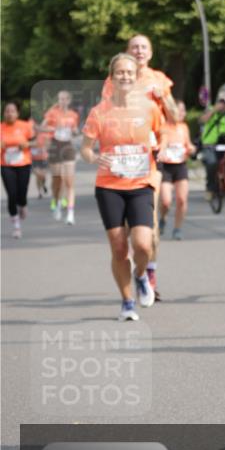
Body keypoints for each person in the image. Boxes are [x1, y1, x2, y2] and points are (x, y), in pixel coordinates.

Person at [81, 53, 163, 322]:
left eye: (129, 72)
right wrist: (95, 157)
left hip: (140, 183)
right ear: (112, 77)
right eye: (120, 73)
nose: (125, 76)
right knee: (118, 248)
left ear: (136, 76)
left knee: (142, 244)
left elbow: (160, 137)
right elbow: (85, 150)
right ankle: (127, 301)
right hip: (109, 186)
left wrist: (157, 154)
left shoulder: (149, 108)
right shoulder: (99, 112)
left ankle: (140, 275)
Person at [102, 34, 178, 297]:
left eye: (144, 46)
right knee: (123, 232)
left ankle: (149, 272)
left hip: (151, 156)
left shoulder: (159, 79)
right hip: (125, 159)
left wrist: (162, 97)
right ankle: (135, 269)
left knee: (152, 224)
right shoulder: (116, 79)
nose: (139, 50)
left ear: (151, 53)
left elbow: (175, 116)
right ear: (128, 51)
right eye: (134, 46)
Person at [157, 99, 196, 240]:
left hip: (180, 166)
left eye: (183, 110)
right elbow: (160, 144)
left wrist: (191, 148)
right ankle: (163, 218)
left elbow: (188, 144)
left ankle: (177, 229)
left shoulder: (184, 127)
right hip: (166, 167)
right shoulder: (163, 127)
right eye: (178, 110)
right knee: (166, 201)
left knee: (181, 200)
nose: (181, 113)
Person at [41, 90, 79, 225]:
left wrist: (75, 131)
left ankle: (70, 214)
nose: (62, 101)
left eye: (64, 99)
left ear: (69, 101)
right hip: (55, 146)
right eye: (59, 99)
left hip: (68, 147)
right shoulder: (52, 113)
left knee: (69, 182)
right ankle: (56, 203)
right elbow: (42, 128)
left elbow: (75, 131)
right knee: (57, 181)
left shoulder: (73, 115)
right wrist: (52, 128)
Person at [198, 90, 225, 195]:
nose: (222, 105)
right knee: (212, 163)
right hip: (210, 144)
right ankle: (211, 188)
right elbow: (202, 120)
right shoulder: (210, 111)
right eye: (221, 102)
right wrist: (214, 110)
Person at [1, 102, 35, 239]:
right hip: (5, 164)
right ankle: (16, 226)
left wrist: (26, 144)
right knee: (11, 194)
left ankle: (23, 204)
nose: (10, 113)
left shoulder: (25, 126)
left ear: (17, 113)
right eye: (7, 111)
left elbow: (36, 142)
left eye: (12, 111)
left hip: (23, 164)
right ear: (4, 113)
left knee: (22, 193)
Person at [30, 129, 50, 199]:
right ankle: (39, 192)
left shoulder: (43, 136)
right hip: (34, 159)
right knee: (38, 175)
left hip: (43, 158)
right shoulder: (28, 137)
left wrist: (45, 147)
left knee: (43, 176)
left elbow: (48, 144)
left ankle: (43, 185)